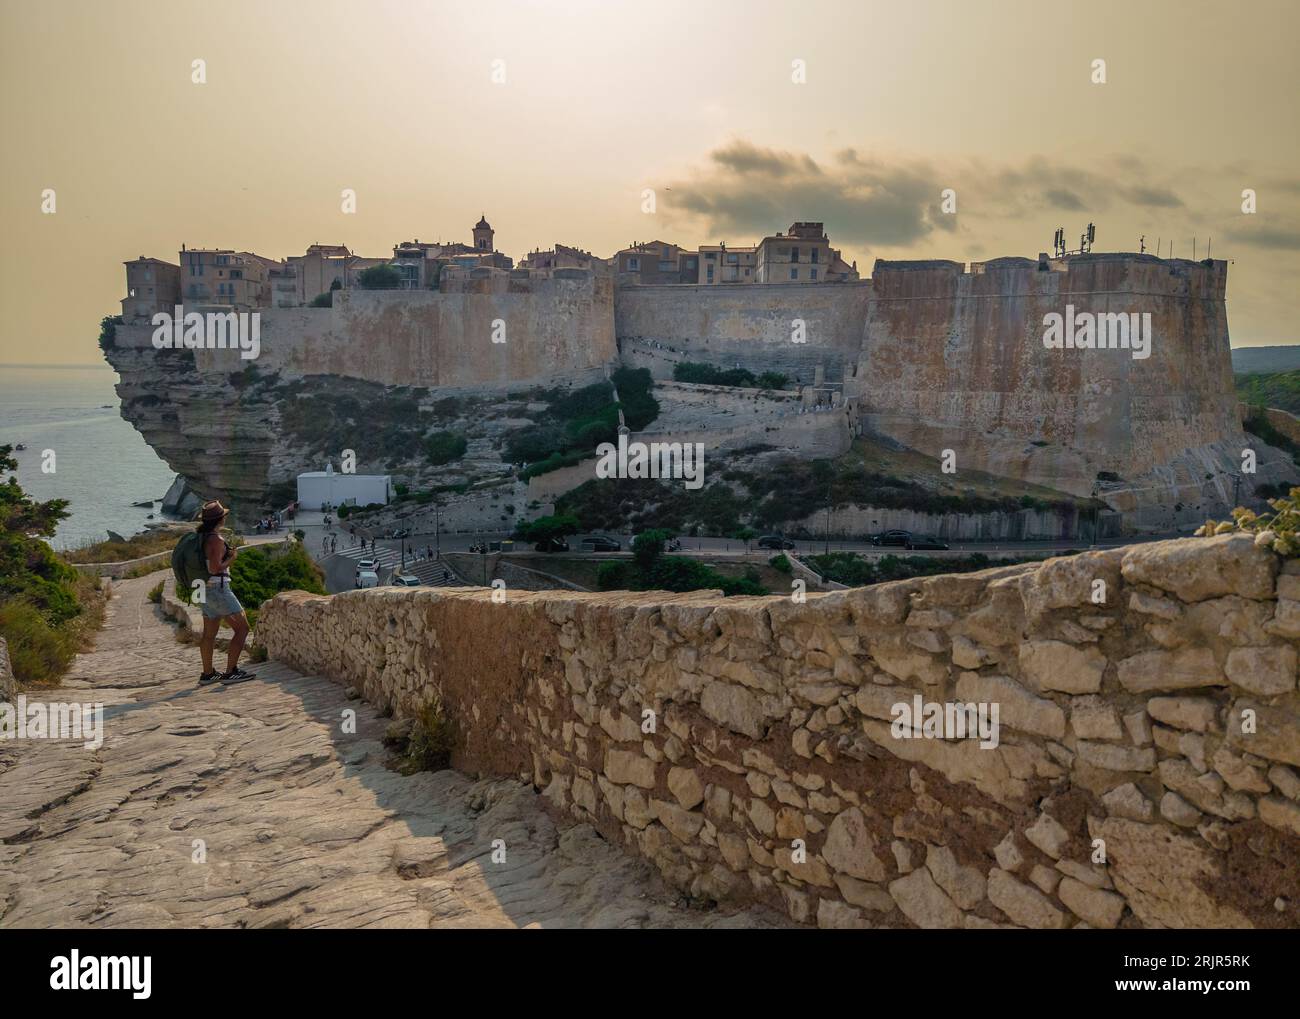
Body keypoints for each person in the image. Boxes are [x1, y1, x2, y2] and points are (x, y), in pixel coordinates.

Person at [195, 501, 255, 686]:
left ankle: (208, 674)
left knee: (209, 634)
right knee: (242, 628)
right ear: (220, 519)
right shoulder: (216, 540)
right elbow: (214, 568)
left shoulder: (199, 537)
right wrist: (231, 559)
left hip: (202, 589)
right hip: (218, 589)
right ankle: (230, 672)